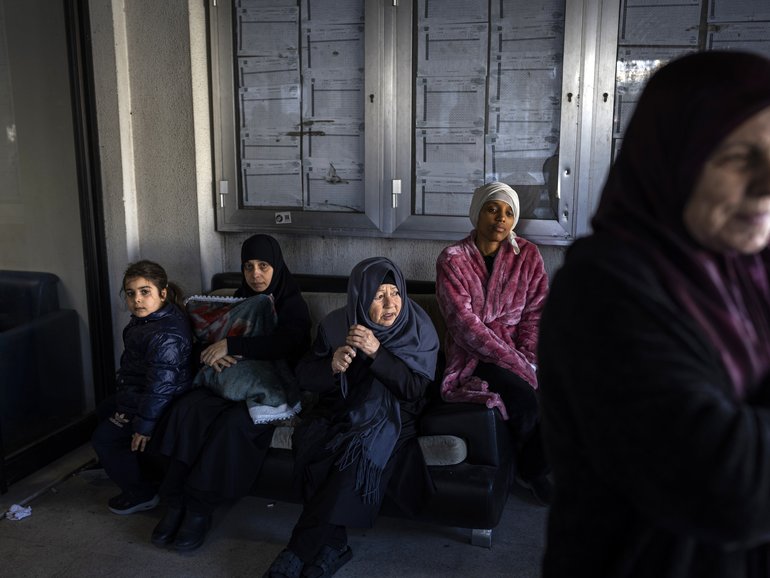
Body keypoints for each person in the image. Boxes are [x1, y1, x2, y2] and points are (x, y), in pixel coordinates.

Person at [537, 50, 770, 578]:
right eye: (739, 157)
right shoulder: (602, 290)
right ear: (673, 159)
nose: (767, 183)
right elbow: (727, 488)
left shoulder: (748, 270)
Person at [263, 257, 440, 578]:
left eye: (395, 292)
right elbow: (304, 375)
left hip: (395, 416)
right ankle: (334, 546)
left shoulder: (418, 327)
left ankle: (297, 551)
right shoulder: (336, 325)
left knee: (352, 457)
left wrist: (377, 353)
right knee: (312, 440)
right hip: (342, 408)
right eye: (378, 295)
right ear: (360, 297)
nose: (391, 303)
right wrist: (331, 365)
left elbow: (414, 390)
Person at [150, 234, 311, 551]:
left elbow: (289, 343)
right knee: (188, 410)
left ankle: (199, 508)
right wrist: (213, 351)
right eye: (248, 267)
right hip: (227, 381)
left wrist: (234, 345)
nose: (256, 275)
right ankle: (175, 501)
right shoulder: (237, 302)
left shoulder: (292, 303)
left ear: (276, 267)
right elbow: (206, 338)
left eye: (264, 266)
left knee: (232, 427)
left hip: (269, 388)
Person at [435, 181, 551, 504]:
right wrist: (516, 364)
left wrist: (529, 357)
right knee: (525, 398)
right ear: (477, 213)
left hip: (520, 352)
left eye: (508, 213)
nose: (501, 218)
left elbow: (535, 314)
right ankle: (534, 473)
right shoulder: (452, 259)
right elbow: (463, 324)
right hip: (473, 356)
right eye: (492, 209)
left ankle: (533, 464)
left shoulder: (527, 256)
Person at [91, 260, 193, 515]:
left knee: (104, 438)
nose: (137, 299)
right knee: (103, 410)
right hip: (139, 392)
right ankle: (119, 465)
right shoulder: (150, 320)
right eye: (131, 293)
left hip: (159, 401)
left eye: (144, 291)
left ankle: (140, 494)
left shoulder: (165, 335)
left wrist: (143, 426)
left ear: (163, 292)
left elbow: (160, 386)